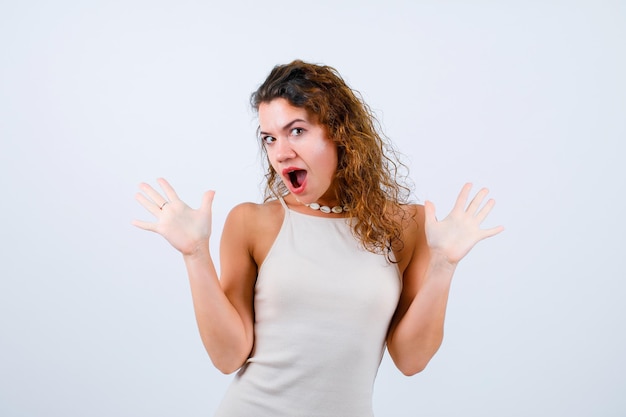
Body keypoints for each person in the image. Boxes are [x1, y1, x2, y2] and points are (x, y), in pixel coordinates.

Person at [133, 60, 504, 417]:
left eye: (297, 131)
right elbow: (228, 357)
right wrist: (195, 254)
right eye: (269, 138)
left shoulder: (406, 224)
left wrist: (444, 265)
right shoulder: (251, 222)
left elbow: (412, 359)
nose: (280, 152)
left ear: (340, 131)